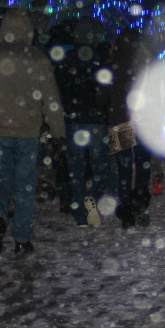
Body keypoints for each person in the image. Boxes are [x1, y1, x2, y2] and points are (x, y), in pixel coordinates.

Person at [0, 7, 65, 255]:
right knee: (25, 185)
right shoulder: (37, 58)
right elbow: (51, 98)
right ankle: (22, 238)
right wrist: (58, 130)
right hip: (28, 131)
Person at [53, 17, 115, 228]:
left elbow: (59, 88)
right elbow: (107, 89)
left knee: (75, 168)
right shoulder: (101, 58)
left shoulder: (66, 58)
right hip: (96, 120)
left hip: (73, 119)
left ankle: (80, 213)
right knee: (100, 166)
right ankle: (93, 199)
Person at [107, 27, 155, 229]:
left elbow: (104, 94)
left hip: (121, 121)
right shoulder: (146, 65)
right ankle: (140, 205)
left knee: (124, 169)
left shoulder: (113, 64)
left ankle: (127, 209)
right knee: (143, 167)